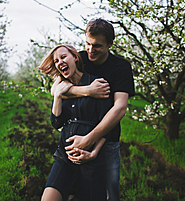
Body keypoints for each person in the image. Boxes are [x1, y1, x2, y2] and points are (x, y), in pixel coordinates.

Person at [51, 18, 135, 201]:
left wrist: (89, 140)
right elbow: (55, 89)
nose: (90, 50)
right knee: (78, 189)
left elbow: (120, 108)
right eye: (87, 43)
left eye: (96, 46)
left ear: (110, 44)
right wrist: (88, 91)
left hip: (107, 139)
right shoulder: (79, 59)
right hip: (76, 136)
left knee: (110, 191)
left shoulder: (121, 68)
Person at [39, 44, 112, 201]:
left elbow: (110, 125)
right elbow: (56, 123)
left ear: (75, 57)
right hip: (64, 156)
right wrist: (57, 96)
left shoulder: (96, 84)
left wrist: (93, 153)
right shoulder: (62, 88)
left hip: (90, 159)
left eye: (63, 57)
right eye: (56, 60)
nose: (60, 62)